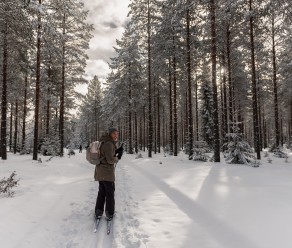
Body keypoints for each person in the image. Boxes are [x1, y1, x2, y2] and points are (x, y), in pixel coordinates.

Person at [94, 127, 123, 220]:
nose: (116, 135)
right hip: (106, 173)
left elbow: (106, 154)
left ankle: (98, 212)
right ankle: (110, 213)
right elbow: (110, 160)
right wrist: (118, 157)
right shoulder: (109, 144)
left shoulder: (104, 141)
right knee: (110, 193)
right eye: (114, 133)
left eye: (117, 133)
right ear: (110, 134)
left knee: (102, 192)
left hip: (100, 172)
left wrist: (116, 151)